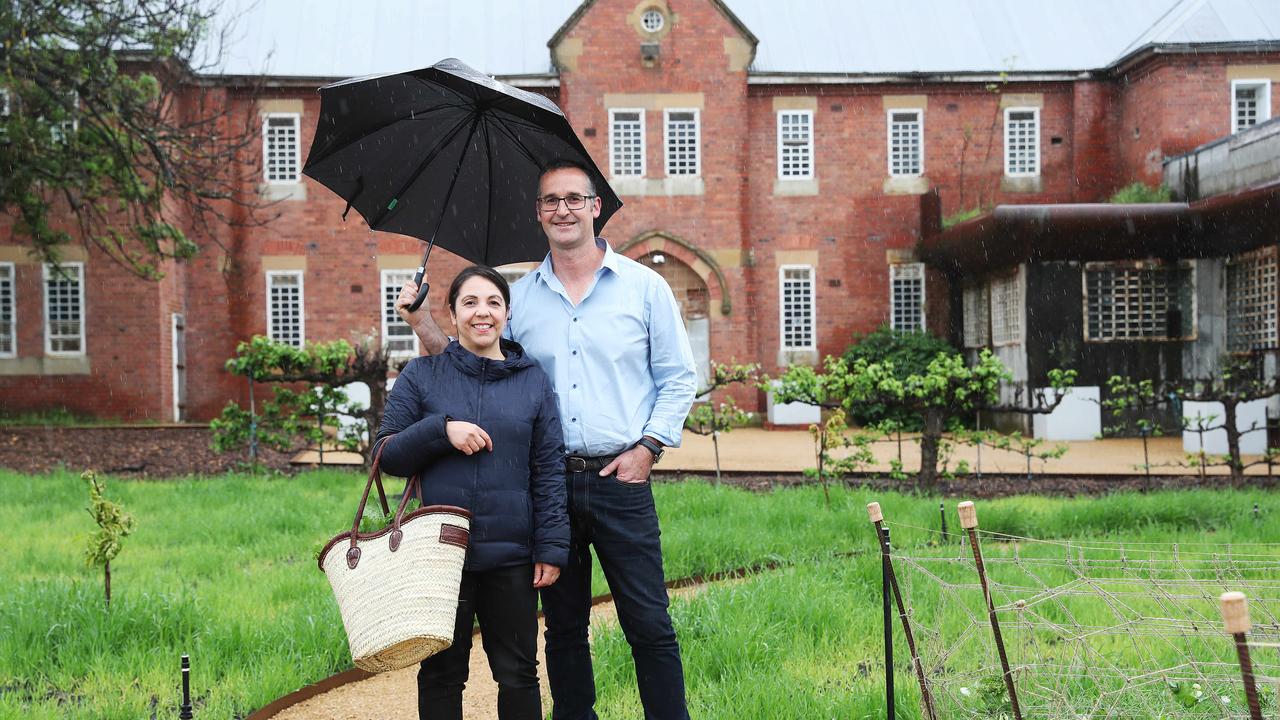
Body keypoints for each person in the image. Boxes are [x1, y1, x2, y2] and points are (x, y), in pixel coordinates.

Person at [398, 159, 698, 719]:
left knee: (649, 624)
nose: (562, 209)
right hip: (548, 487)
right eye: (550, 201)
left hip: (621, 479)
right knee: (564, 631)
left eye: (573, 198)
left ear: (595, 207)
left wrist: (650, 448)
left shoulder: (645, 288)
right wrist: (422, 324)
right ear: (538, 213)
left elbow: (679, 378)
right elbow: (471, 365)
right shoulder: (521, 300)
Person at [376, 265, 569, 720]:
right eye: (470, 303)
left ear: (506, 313)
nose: (482, 313)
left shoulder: (532, 380)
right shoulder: (422, 375)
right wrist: (441, 430)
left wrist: (552, 546)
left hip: (512, 556)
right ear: (452, 312)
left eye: (493, 303)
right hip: (442, 557)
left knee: (518, 674)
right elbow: (387, 456)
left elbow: (547, 469)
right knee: (442, 675)